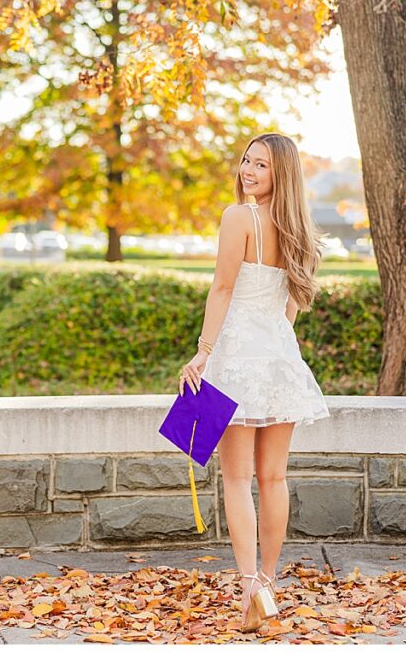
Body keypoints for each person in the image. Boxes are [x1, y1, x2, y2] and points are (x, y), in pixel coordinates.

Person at [177, 132, 331, 633]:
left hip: (237, 357)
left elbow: (222, 288)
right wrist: (276, 338)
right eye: (247, 160)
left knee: (238, 479)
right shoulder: (299, 228)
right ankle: (268, 583)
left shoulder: (238, 217)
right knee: (275, 478)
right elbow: (291, 305)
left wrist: (203, 353)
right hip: (280, 357)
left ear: (279, 174)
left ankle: (251, 590)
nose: (248, 170)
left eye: (261, 165)